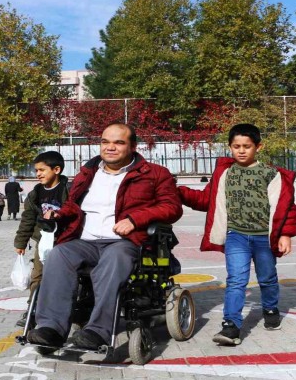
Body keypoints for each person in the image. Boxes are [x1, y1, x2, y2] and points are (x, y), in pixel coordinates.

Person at [27, 123, 183, 349]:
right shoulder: (88, 172)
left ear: (132, 146)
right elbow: (74, 205)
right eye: (105, 142)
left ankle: (97, 331)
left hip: (124, 242)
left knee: (114, 258)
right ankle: (51, 329)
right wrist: (59, 213)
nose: (110, 147)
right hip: (85, 241)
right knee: (58, 255)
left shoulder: (154, 173)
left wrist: (134, 220)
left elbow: (172, 207)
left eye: (119, 142)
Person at [179, 123, 296, 346]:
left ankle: (271, 309)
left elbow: (288, 207)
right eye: (236, 146)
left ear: (258, 147)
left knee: (267, 278)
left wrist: (286, 234)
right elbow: (206, 200)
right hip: (236, 236)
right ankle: (231, 326)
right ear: (230, 147)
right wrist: (177, 191)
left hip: (264, 237)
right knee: (236, 280)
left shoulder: (271, 174)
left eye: (247, 146)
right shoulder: (224, 174)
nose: (241, 150)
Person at [13, 151, 70, 327]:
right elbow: (28, 219)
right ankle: (33, 309)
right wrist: (21, 243)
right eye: (36, 170)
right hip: (43, 242)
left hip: (66, 241)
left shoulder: (69, 190)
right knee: (37, 276)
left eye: (42, 170)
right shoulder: (35, 194)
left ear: (57, 169)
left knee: (65, 276)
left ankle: (73, 309)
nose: (38, 174)